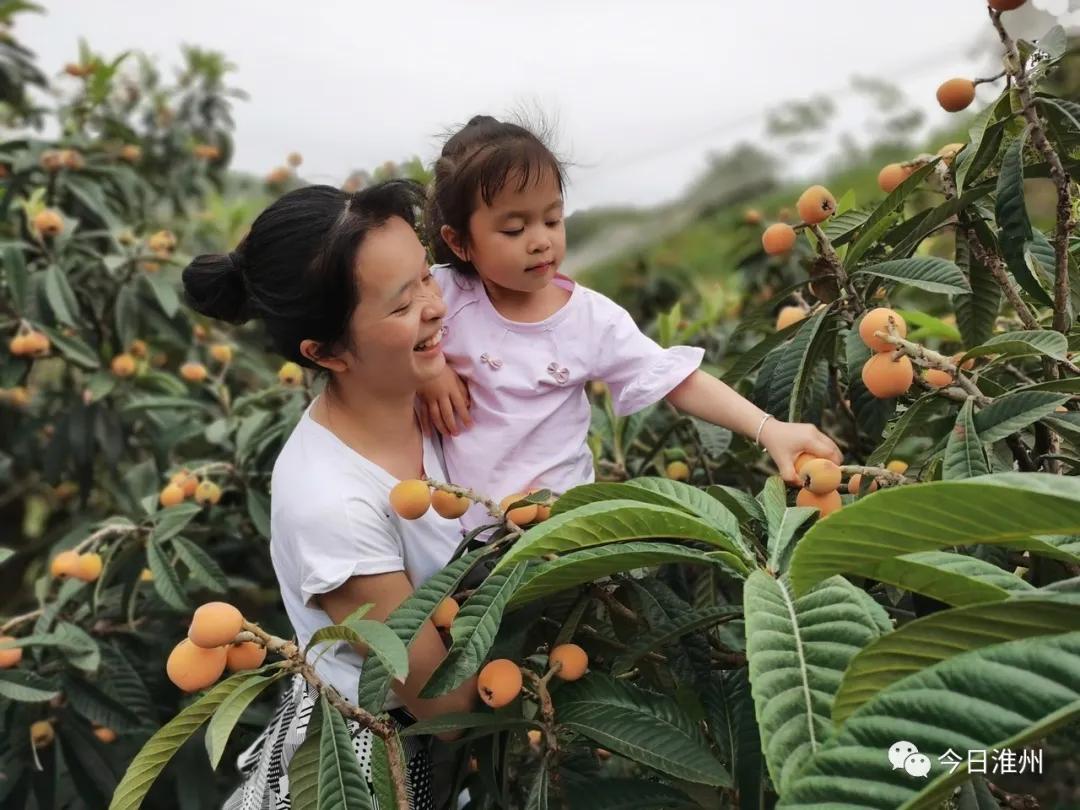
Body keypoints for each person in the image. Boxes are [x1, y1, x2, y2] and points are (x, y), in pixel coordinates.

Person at [183, 180, 474, 809]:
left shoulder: (424, 389)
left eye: (428, 277)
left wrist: (428, 358)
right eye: (401, 307)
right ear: (326, 353)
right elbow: (446, 703)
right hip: (371, 772)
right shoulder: (330, 505)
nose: (435, 305)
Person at [419, 114, 842, 532]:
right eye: (515, 228)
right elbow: (374, 323)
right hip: (461, 541)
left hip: (560, 534)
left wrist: (769, 430)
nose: (541, 240)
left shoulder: (589, 319)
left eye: (552, 219)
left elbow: (678, 380)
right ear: (459, 241)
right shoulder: (441, 293)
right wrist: (429, 366)